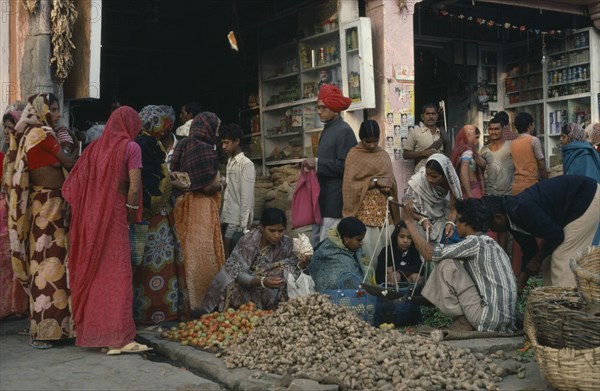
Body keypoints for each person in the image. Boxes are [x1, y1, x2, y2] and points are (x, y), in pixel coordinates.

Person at [62, 106, 151, 354]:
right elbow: (133, 186)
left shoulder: (95, 149)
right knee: (120, 274)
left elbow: (75, 184)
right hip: (116, 216)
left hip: (93, 218)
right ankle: (121, 339)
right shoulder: (131, 147)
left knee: (98, 274)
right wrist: (132, 212)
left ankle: (102, 336)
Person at [7, 93, 76, 349]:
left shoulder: (30, 134)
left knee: (44, 265)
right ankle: (47, 331)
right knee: (51, 267)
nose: (58, 114)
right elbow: (68, 162)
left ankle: (50, 329)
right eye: (54, 109)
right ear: (42, 109)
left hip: (42, 208)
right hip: (50, 208)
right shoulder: (43, 134)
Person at [402, 198, 517, 333]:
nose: (456, 225)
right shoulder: (492, 244)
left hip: (487, 320)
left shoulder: (474, 242)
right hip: (506, 322)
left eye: (457, 221)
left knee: (446, 264)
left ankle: (463, 320)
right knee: (452, 262)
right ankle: (467, 318)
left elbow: (428, 254)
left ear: (466, 222)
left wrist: (409, 221)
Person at [482, 175, 600, 290]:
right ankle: (551, 302)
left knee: (562, 259)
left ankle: (569, 304)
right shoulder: (512, 220)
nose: (492, 230)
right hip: (572, 206)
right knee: (548, 262)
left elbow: (556, 235)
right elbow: (530, 252)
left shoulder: (521, 210)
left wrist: (538, 259)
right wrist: (520, 285)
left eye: (490, 225)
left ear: (498, 217)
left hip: (585, 198)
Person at [132, 105, 190, 325]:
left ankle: (151, 310)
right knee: (156, 263)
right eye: (165, 123)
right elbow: (150, 181)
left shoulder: (146, 143)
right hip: (154, 217)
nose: (167, 128)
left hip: (153, 215)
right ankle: (157, 311)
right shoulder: (146, 145)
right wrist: (169, 184)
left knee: (149, 262)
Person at [170, 112, 226, 312]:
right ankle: (202, 302)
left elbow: (174, 172)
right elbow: (206, 187)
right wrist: (221, 185)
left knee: (185, 253)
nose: (218, 133)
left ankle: (183, 301)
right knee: (202, 256)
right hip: (200, 208)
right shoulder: (205, 150)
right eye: (216, 128)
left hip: (182, 205)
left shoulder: (183, 145)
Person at [202, 208, 309, 312]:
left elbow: (293, 265)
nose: (277, 235)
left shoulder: (286, 243)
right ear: (262, 228)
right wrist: (261, 281)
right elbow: (237, 273)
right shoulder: (249, 242)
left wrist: (302, 264)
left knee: (286, 274)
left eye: (280, 231)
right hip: (245, 282)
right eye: (272, 230)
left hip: (269, 283)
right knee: (234, 289)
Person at [302, 84, 357, 241]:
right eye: (318, 107)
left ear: (334, 108)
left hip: (335, 201)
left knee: (329, 245)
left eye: (323, 108)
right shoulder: (328, 129)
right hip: (322, 198)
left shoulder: (344, 130)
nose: (319, 112)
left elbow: (345, 165)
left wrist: (318, 163)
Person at [342, 120, 399, 264]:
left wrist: (388, 185)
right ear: (361, 138)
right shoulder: (354, 154)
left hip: (384, 214)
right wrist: (374, 182)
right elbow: (350, 185)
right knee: (368, 254)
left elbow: (391, 180)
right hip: (364, 214)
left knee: (387, 254)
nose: (372, 145)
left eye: (375, 141)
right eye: (368, 142)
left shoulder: (383, 154)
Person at [1, 110, 29, 321]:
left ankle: (17, 306)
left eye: (11, 128)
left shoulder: (23, 152)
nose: (6, 132)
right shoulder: (6, 153)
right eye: (5, 128)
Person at [404, 154, 463, 244]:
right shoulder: (417, 182)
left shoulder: (450, 182)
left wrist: (450, 222)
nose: (430, 179)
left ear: (444, 175)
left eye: (434, 177)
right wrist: (422, 219)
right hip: (419, 221)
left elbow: (453, 208)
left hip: (441, 219)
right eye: (428, 175)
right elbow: (407, 208)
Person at [220, 123, 256, 258]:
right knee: (226, 250)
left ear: (237, 141)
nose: (223, 146)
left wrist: (244, 223)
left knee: (233, 252)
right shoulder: (230, 161)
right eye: (222, 143)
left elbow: (246, 195)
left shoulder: (246, 164)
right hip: (229, 214)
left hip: (238, 218)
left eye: (227, 143)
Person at [480, 117, 514, 253]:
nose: (493, 132)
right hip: (490, 194)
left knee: (504, 229)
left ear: (503, 130)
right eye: (491, 129)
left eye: (496, 129)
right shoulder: (484, 150)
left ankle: (504, 257)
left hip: (508, 194)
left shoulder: (511, 146)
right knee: (489, 228)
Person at [310, 217, 367, 292]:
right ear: (346, 239)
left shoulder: (349, 249)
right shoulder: (332, 253)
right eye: (358, 239)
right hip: (329, 299)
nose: (361, 243)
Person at [403, 103, 450, 173]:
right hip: (421, 175)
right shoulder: (415, 132)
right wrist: (423, 153)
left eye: (433, 114)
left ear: (437, 116)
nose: (431, 116)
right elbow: (405, 155)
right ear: (422, 116)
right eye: (427, 114)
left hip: (439, 175)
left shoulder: (442, 133)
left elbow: (448, 154)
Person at [375, 221, 422, 286]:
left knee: (416, 277)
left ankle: (411, 295)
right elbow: (378, 277)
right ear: (396, 236)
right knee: (395, 276)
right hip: (390, 287)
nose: (405, 241)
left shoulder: (413, 251)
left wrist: (395, 268)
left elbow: (420, 268)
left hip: (407, 284)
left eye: (409, 238)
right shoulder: (387, 251)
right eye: (402, 236)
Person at [511, 112, 548, 195]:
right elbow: (541, 166)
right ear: (530, 125)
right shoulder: (533, 140)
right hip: (532, 187)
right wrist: (547, 182)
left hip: (516, 187)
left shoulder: (513, 143)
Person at [450, 125, 486, 199]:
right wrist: (470, 196)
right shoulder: (467, 152)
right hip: (472, 191)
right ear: (468, 136)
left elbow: (483, 164)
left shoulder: (460, 150)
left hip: (461, 191)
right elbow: (463, 174)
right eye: (476, 137)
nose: (477, 141)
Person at [158, 105, 179, 169]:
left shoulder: (183, 147)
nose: (155, 128)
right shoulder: (149, 147)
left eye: (159, 124)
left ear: (170, 126)